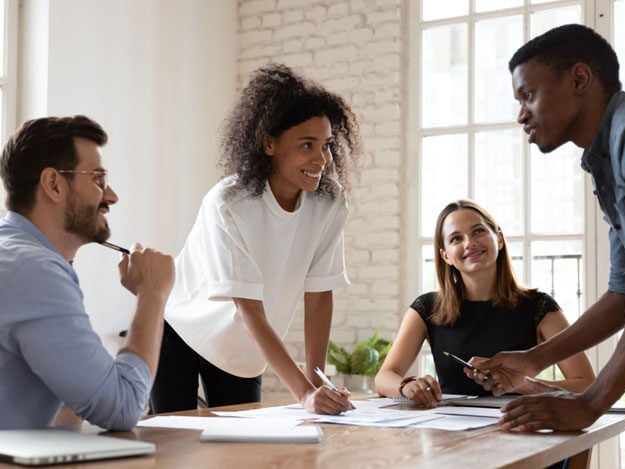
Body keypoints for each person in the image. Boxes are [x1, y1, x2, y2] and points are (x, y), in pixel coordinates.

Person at [470, 23, 625, 431]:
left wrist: (590, 403)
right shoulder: (605, 157)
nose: (521, 113)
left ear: (579, 78)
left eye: (528, 94)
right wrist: (534, 359)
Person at [150, 63, 361, 415]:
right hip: (180, 334)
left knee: (244, 453)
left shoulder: (329, 202)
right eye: (307, 145)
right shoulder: (228, 204)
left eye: (325, 145)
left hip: (243, 355)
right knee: (176, 448)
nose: (321, 159)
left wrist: (317, 381)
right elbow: (249, 309)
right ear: (269, 143)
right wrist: (304, 394)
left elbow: (320, 295)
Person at [0, 116, 175, 430]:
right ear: (54, 184)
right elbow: (121, 408)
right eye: (97, 179)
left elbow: (71, 405)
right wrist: (153, 294)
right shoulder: (34, 272)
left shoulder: (16, 256)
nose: (111, 196)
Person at [375, 199, 594, 408]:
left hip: (518, 427)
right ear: (446, 256)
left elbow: (585, 384)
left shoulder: (539, 307)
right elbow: (384, 378)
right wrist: (407, 387)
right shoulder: (426, 308)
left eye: (478, 231)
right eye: (456, 239)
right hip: (449, 433)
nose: (469, 243)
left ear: (499, 239)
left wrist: (524, 385)